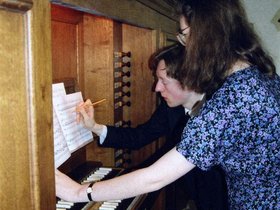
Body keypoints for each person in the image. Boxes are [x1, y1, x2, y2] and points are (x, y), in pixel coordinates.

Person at [56, 0, 280, 209]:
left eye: (184, 35)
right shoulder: (260, 75)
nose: (185, 46)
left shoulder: (234, 99)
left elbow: (154, 177)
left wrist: (78, 192)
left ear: (206, 35)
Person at [78, 43, 228, 210]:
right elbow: (140, 136)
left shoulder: (217, 115)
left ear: (190, 80)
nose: (156, 88)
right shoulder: (172, 108)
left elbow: (156, 172)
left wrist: (83, 191)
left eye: (163, 81)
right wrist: (95, 127)